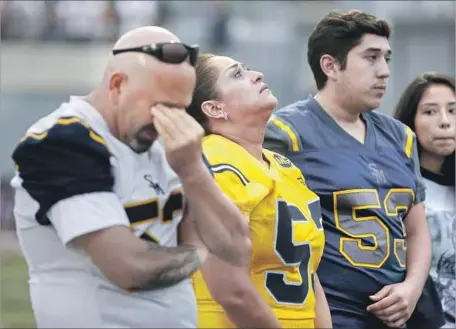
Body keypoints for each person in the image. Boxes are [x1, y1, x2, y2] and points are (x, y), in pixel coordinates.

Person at [11, 26, 251, 328]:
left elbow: (236, 246)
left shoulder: (175, 143)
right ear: (117, 85)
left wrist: (192, 170)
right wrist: (199, 251)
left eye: (179, 107)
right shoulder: (63, 141)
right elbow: (129, 268)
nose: (170, 119)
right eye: (161, 106)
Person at [264, 10, 432, 329]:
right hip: (330, 314)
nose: (384, 71)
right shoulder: (285, 134)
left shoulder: (401, 137)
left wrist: (412, 288)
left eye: (387, 58)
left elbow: (417, 230)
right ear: (331, 66)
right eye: (371, 57)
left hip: (398, 317)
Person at [186, 54, 332, 328]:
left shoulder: (283, 166)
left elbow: (308, 273)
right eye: (238, 74)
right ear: (214, 108)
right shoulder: (214, 160)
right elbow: (233, 292)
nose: (257, 75)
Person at [394, 72, 455, 328]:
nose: (445, 122)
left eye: (453, 111)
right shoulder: (398, 188)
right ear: (411, 121)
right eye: (430, 112)